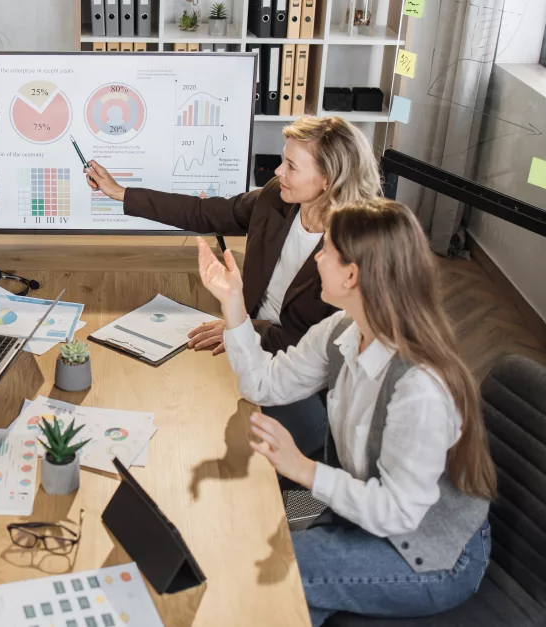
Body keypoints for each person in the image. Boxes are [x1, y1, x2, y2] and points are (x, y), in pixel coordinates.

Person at [196, 199, 496, 625]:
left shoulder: (419, 388)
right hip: (352, 503)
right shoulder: (342, 330)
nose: (315, 258)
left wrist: (303, 469)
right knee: (251, 519)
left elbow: (397, 513)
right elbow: (262, 383)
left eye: (325, 251)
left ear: (352, 274)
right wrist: (233, 305)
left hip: (424, 550)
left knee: (281, 566)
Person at [86, 115, 382, 454]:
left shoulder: (355, 250)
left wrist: (243, 327)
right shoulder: (277, 199)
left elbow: (330, 346)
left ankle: (297, 493)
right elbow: (204, 213)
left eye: (291, 166)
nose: (277, 173)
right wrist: (121, 193)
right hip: (244, 336)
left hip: (302, 374)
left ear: (327, 180)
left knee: (222, 434)